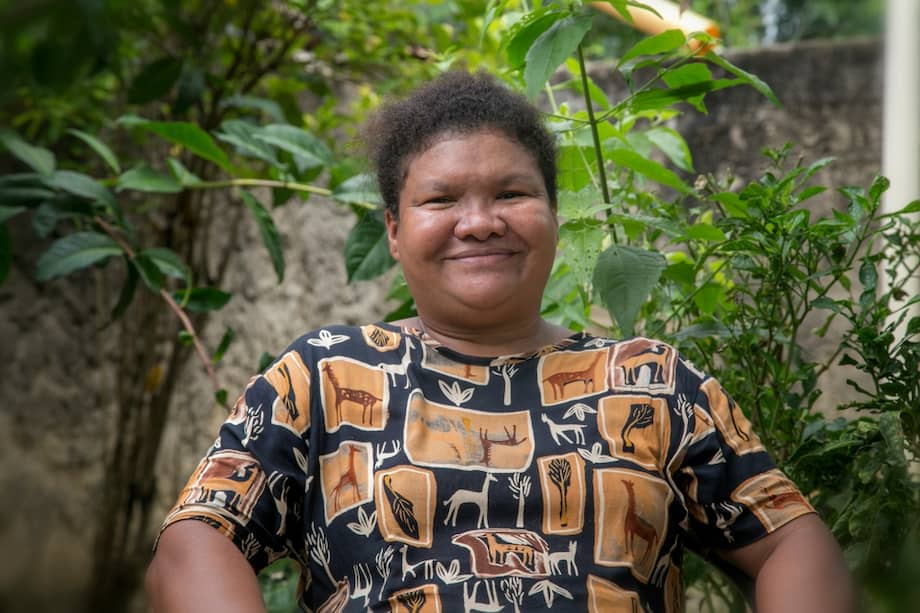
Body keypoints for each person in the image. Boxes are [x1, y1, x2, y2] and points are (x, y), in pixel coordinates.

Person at [146, 71, 854, 613]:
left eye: (512, 194)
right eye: (441, 199)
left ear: (553, 215)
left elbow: (790, 540)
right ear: (393, 229)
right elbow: (196, 537)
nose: (480, 222)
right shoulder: (325, 374)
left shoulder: (651, 381)